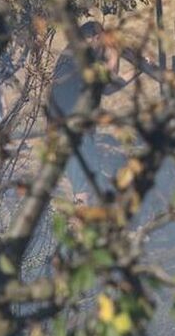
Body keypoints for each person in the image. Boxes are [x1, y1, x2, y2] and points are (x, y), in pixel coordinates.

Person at [49, 20, 136, 203]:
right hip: (71, 132)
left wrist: (137, 70)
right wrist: (114, 51)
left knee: (86, 186)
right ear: (93, 38)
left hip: (73, 131)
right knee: (83, 189)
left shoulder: (77, 57)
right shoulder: (78, 58)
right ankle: (80, 229)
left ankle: (86, 226)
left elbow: (107, 88)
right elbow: (109, 79)